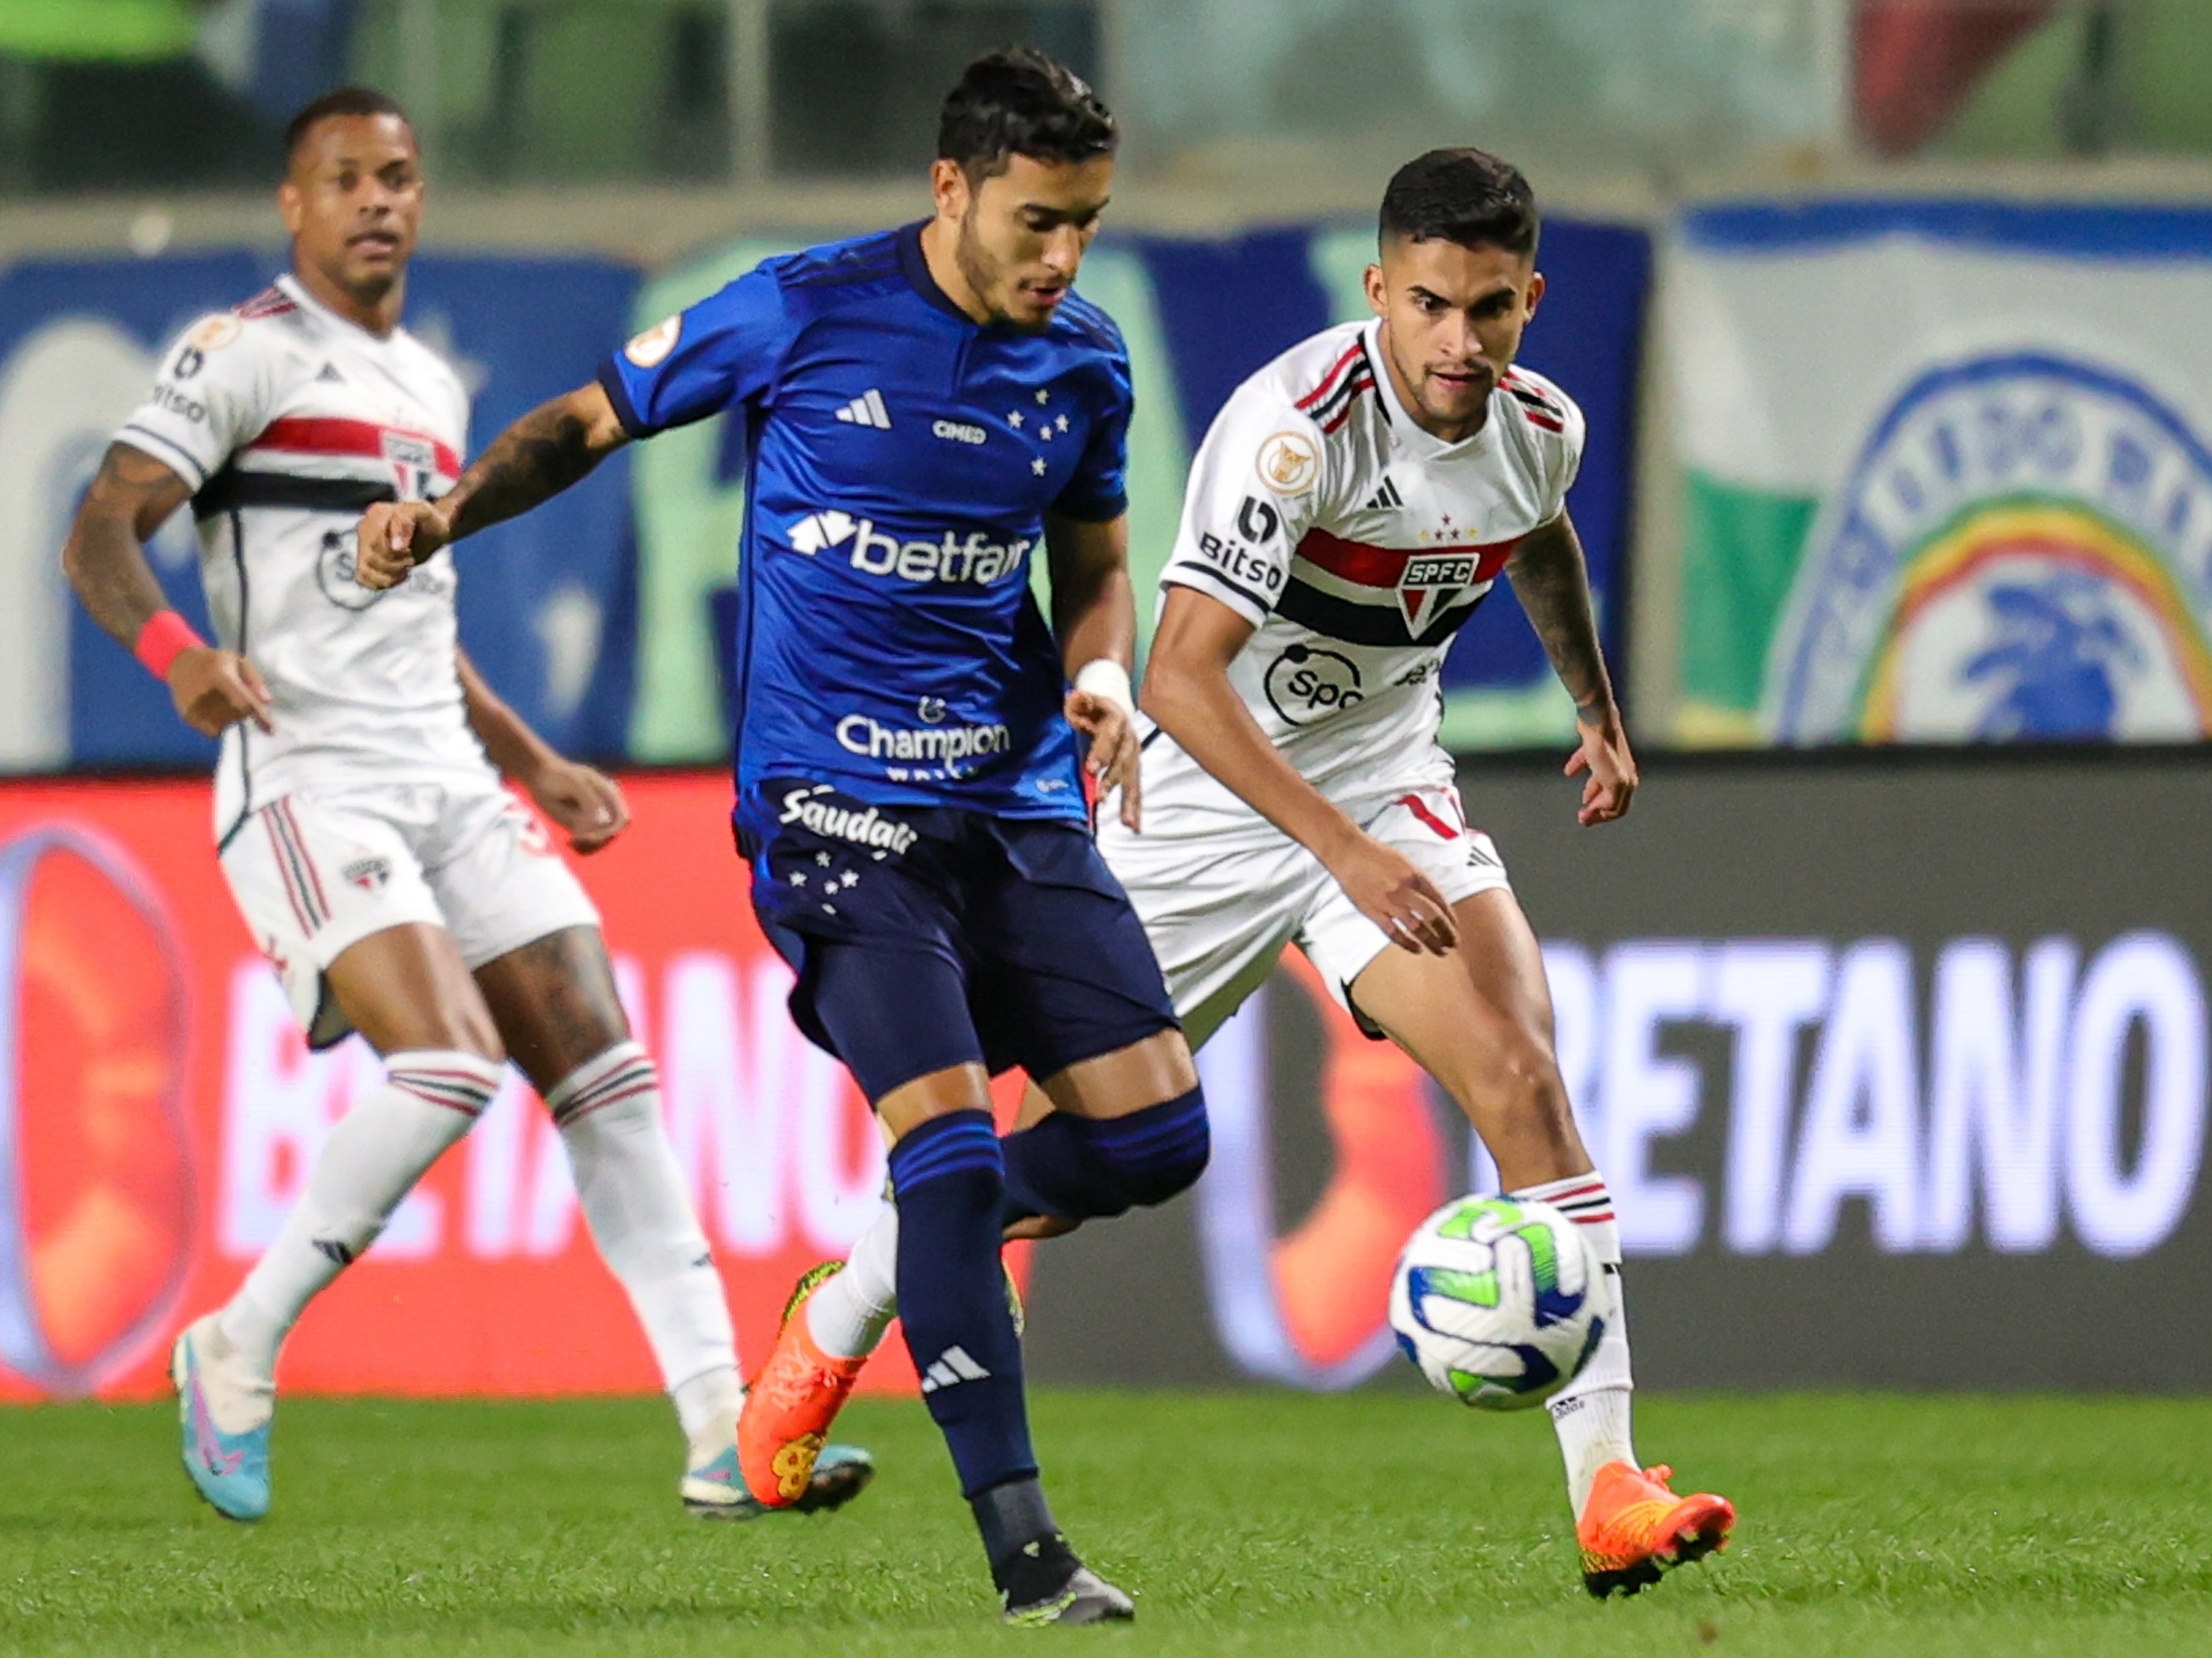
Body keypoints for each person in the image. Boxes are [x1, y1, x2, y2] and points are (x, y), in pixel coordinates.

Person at [775, 147, 1737, 1601]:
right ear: (1377, 291)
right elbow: (1182, 670)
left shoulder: (1539, 427)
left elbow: (1534, 538)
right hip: (1206, 809)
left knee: (1524, 1075)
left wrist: (1591, 707)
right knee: (1049, 1161)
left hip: (1384, 786)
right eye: (1428, 305)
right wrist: (1334, 848)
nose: (1457, 343)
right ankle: (840, 1313)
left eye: (1489, 309)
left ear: (1530, 301)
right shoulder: (1292, 429)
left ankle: (1605, 1483)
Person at [349, 50, 1209, 1628]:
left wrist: (1098, 670)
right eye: (1035, 220)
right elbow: (585, 422)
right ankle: (1026, 1553)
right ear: (948, 188)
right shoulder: (801, 308)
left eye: (1084, 223)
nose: (1062, 257)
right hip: (836, 817)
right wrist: (442, 517)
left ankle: (887, 1265)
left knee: (1161, 1143)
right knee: (942, 1149)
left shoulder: (1085, 361)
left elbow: (1094, 556)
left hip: (1016, 804)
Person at [60, 85, 871, 1525]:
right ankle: (235, 1347)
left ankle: (717, 1432)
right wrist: (178, 658)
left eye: (401, 177)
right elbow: (99, 525)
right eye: (346, 179)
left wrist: (533, 756)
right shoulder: (237, 357)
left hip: (445, 769)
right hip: (307, 776)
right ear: (293, 205)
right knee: (447, 1065)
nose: (379, 200)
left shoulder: (429, 385)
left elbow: (420, 616)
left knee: (607, 1075)